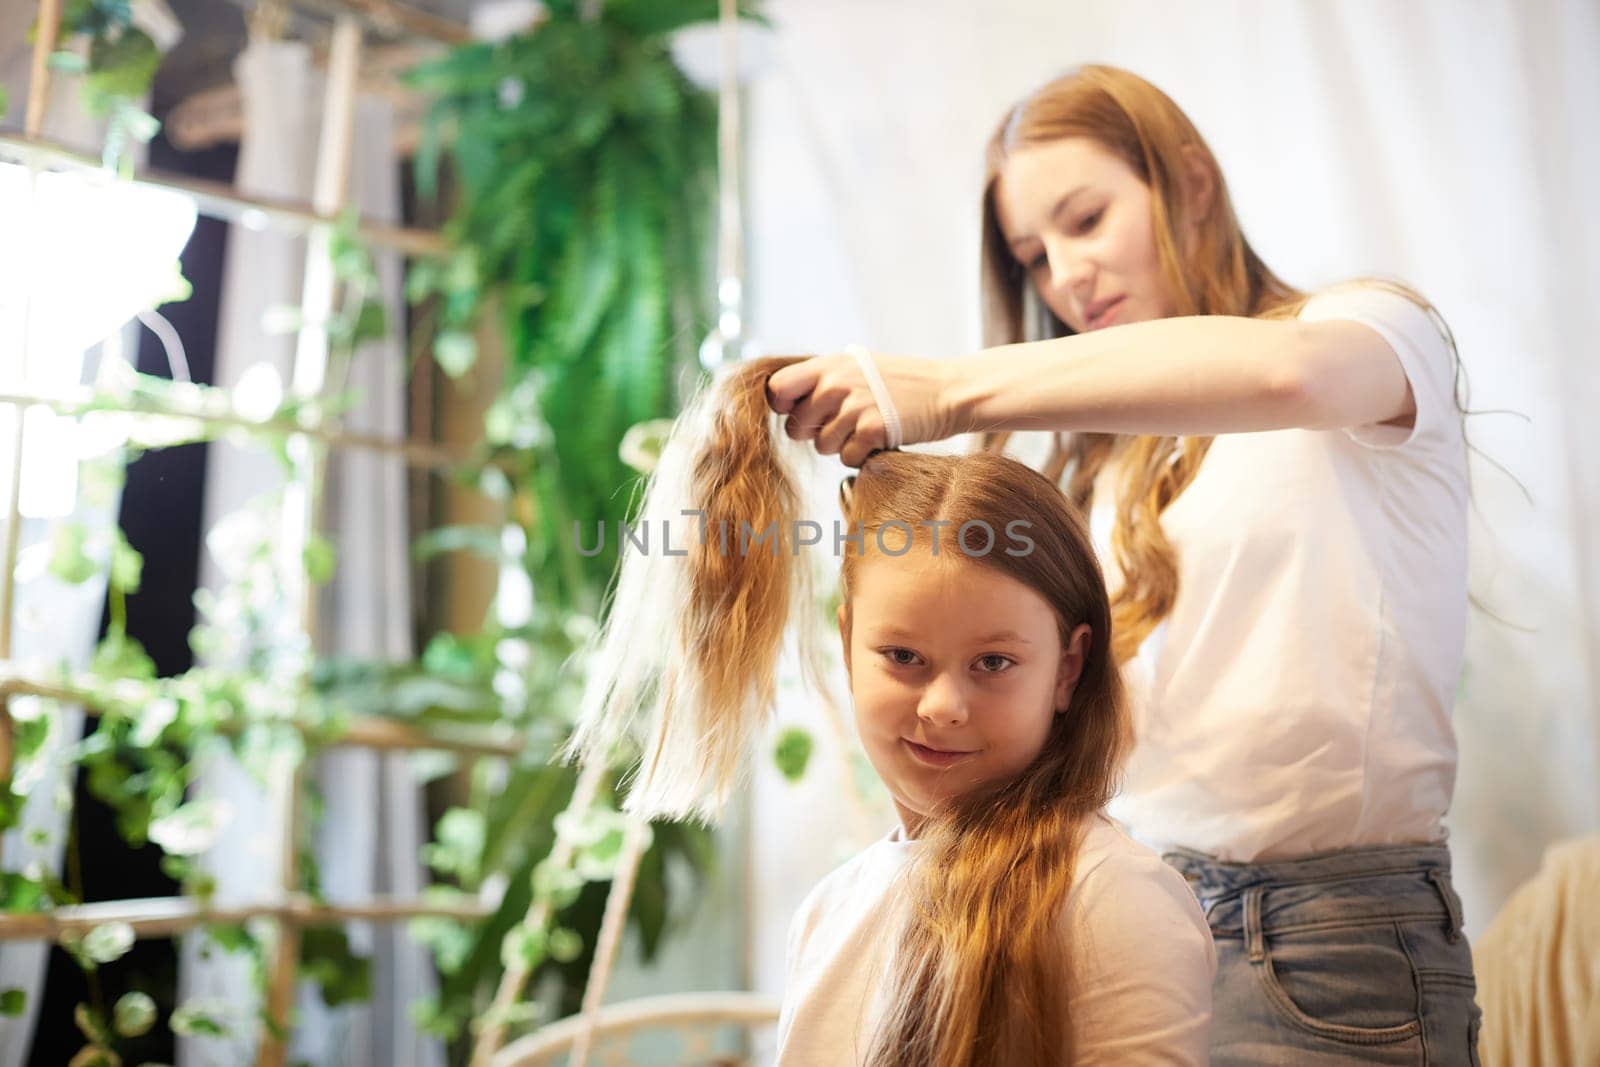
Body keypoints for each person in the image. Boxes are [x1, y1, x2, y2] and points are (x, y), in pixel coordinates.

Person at [764, 64, 1480, 1065]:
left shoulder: (1368, 339)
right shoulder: (1090, 467)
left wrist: (947, 389)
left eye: (1087, 218)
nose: (1066, 276)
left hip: (1328, 944)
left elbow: (1290, 372)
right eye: (1033, 254)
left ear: (1189, 184)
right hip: (1118, 909)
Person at [566, 355, 1215, 1064]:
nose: (942, 707)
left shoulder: (1112, 898)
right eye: (903, 657)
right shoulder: (828, 913)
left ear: (1067, 668)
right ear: (848, 644)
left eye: (993, 663)